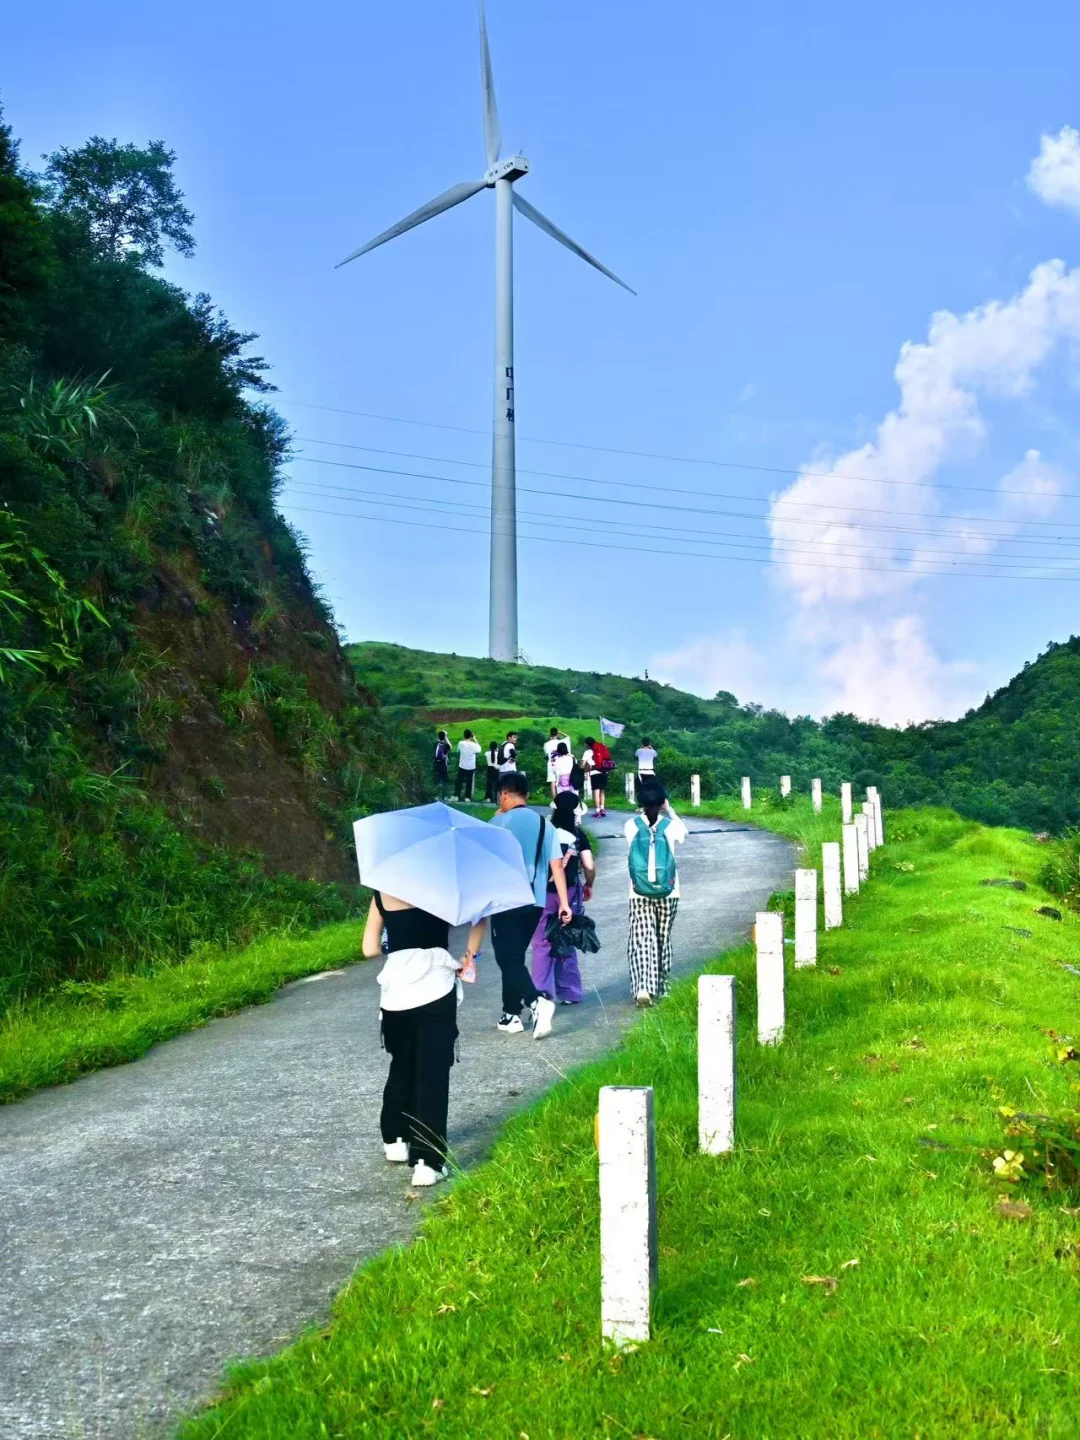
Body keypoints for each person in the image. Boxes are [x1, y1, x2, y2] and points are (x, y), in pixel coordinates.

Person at [361, 890, 485, 1188]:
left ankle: (394, 1138)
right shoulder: (439, 885)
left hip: (395, 994)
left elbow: (369, 949)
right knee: (432, 1073)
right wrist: (470, 955)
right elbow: (480, 916)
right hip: (435, 988)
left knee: (402, 1062)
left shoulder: (382, 889)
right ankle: (427, 1162)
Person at [478, 771, 571, 1037]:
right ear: (527, 796)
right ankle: (510, 1015)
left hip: (505, 900)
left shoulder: (496, 823)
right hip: (535, 902)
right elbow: (557, 866)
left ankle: (536, 1001)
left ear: (503, 794)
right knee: (515, 957)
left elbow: (485, 863)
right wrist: (564, 903)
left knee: (506, 956)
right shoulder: (545, 825)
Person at [623, 779, 687, 1007]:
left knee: (642, 938)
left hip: (638, 892)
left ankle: (643, 987)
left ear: (640, 802)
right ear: (662, 802)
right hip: (669, 892)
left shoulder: (631, 826)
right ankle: (662, 987)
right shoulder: (670, 826)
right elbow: (683, 833)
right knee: (662, 938)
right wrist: (669, 809)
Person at [531, 790, 596, 1004]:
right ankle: (569, 992)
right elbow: (589, 866)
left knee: (542, 944)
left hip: (543, 894)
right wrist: (589, 884)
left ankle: (541, 995)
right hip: (569, 892)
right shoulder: (578, 835)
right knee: (566, 940)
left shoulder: (543, 832)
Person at [584, 735, 612, 817]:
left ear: (587, 744)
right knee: (602, 791)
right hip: (604, 771)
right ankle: (602, 809)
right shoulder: (601, 748)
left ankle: (597, 811)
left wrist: (582, 769)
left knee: (596, 792)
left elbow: (583, 764)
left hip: (594, 773)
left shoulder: (587, 752)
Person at [455, 728, 482, 802]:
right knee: (469, 782)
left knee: (459, 781)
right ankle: (467, 797)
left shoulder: (461, 743)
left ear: (464, 735)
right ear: (471, 736)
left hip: (462, 765)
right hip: (471, 767)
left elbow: (458, 750)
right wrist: (475, 739)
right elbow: (480, 749)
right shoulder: (474, 745)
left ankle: (457, 796)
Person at [543, 726, 568, 799]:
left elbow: (546, 754)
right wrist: (560, 732)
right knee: (561, 781)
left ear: (550, 734)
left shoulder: (546, 744)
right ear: (557, 734)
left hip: (551, 764)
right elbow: (567, 737)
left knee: (552, 782)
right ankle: (562, 799)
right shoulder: (560, 742)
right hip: (560, 764)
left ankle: (555, 800)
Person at [634, 736, 658, 801]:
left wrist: (641, 747)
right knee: (651, 789)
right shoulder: (653, 751)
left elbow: (635, 756)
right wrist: (651, 747)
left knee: (640, 789)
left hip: (641, 773)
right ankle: (650, 803)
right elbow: (656, 756)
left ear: (642, 743)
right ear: (649, 743)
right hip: (651, 772)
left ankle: (641, 805)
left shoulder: (638, 751)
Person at [433, 731, 451, 800]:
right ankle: (445, 795)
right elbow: (450, 746)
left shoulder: (436, 744)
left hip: (436, 764)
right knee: (445, 780)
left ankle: (437, 795)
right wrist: (446, 737)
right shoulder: (446, 745)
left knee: (437, 779)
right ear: (444, 737)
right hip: (443, 764)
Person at [484, 737, 500, 804]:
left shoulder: (487, 753)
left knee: (489, 785)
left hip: (489, 769)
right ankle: (496, 798)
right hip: (496, 770)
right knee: (496, 785)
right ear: (496, 747)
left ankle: (488, 798)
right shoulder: (498, 753)